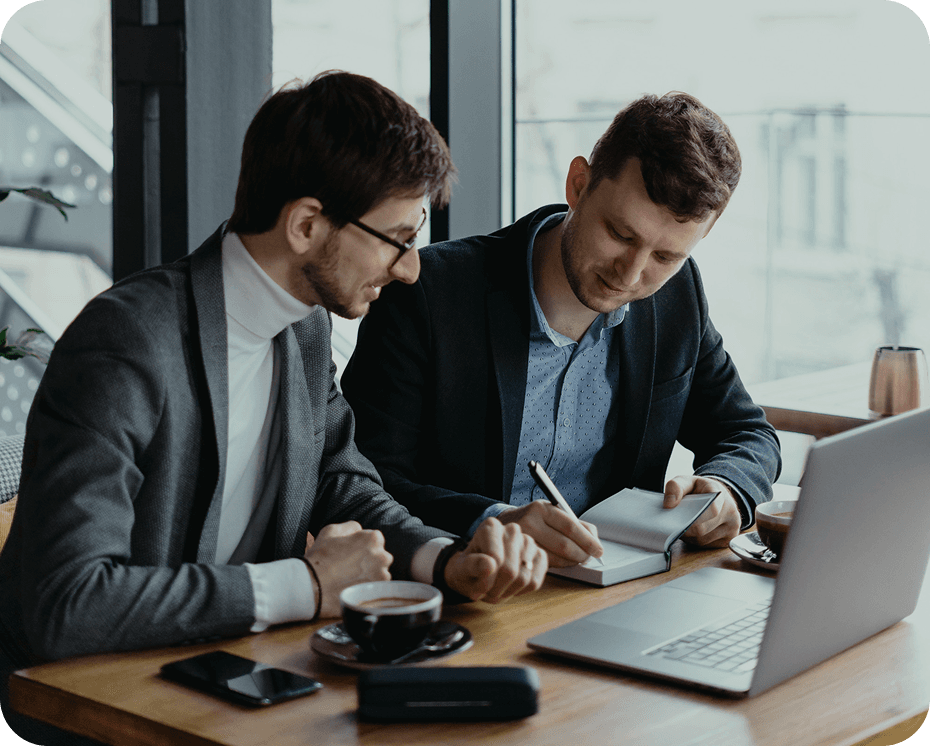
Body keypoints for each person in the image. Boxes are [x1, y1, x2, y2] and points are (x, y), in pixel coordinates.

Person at [0, 71, 546, 744]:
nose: (410, 269)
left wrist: (445, 560)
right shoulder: (127, 340)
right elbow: (66, 607)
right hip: (109, 702)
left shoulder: (303, 326)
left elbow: (340, 483)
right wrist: (305, 587)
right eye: (397, 240)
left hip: (235, 684)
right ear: (307, 225)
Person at [342, 92, 782, 569]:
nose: (631, 275)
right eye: (620, 234)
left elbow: (746, 432)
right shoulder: (427, 295)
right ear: (579, 184)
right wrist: (490, 520)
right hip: (467, 588)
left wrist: (726, 490)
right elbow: (365, 478)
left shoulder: (678, 297)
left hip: (617, 590)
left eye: (665, 257)